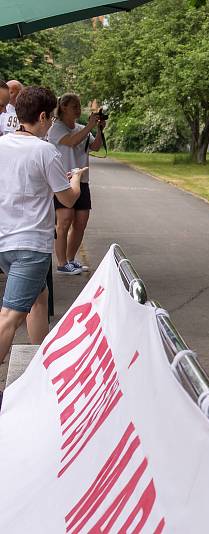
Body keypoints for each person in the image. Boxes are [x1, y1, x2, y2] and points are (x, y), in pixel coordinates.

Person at [0, 86, 83, 369]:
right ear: (44, 116)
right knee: (10, 315)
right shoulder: (45, 151)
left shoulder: (2, 144)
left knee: (39, 299)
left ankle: (40, 364)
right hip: (30, 245)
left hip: (5, 242)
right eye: (51, 119)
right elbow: (68, 198)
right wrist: (75, 179)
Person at [49, 94, 105, 275]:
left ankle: (71, 259)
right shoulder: (56, 128)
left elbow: (95, 147)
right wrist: (89, 126)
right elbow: (72, 142)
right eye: (75, 106)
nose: (79, 109)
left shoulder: (82, 128)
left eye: (80, 106)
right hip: (63, 180)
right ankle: (61, 262)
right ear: (63, 107)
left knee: (81, 222)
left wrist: (99, 130)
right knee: (64, 221)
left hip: (82, 180)